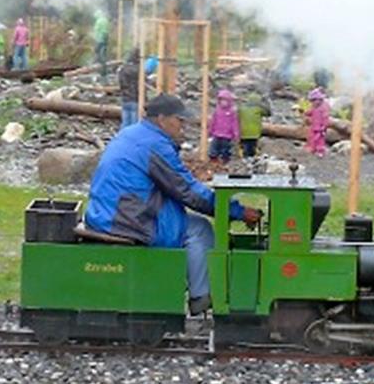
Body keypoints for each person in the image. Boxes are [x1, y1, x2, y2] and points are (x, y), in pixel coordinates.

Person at [84, 94, 260, 315]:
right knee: (200, 229)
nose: (183, 126)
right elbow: (188, 191)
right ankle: (200, 296)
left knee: (189, 221)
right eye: (179, 120)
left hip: (110, 211)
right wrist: (236, 211)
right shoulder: (154, 145)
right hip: (126, 219)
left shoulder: (134, 133)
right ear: (161, 118)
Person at [208, 89, 240, 165]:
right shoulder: (217, 111)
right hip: (217, 133)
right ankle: (213, 159)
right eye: (221, 100)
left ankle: (224, 160)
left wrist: (236, 133)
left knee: (225, 148)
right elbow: (213, 121)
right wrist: (210, 130)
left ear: (229, 101)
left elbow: (234, 123)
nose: (223, 102)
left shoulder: (232, 112)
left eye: (225, 100)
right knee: (214, 146)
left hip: (227, 135)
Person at [238, 91, 271, 158]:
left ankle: (244, 156)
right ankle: (251, 156)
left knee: (244, 144)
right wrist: (266, 104)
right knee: (252, 146)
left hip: (243, 132)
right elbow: (268, 113)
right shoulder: (258, 109)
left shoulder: (241, 109)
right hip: (254, 133)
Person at [119, 48, 141, 128]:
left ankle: (123, 139)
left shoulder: (123, 69)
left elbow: (121, 84)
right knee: (134, 125)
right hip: (135, 99)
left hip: (125, 98)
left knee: (125, 124)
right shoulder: (139, 70)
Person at [305, 87, 330, 157]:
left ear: (319, 100)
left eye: (314, 101)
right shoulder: (313, 108)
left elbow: (326, 118)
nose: (313, 103)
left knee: (320, 140)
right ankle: (312, 148)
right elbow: (309, 112)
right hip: (313, 126)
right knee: (312, 138)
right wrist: (304, 112)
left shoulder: (323, 108)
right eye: (312, 101)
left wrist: (324, 126)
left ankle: (320, 150)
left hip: (320, 128)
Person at [93, 10, 110, 78]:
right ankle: (101, 70)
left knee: (100, 56)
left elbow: (103, 32)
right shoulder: (105, 20)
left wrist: (102, 40)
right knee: (101, 56)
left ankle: (102, 71)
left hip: (100, 40)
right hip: (102, 40)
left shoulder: (100, 21)